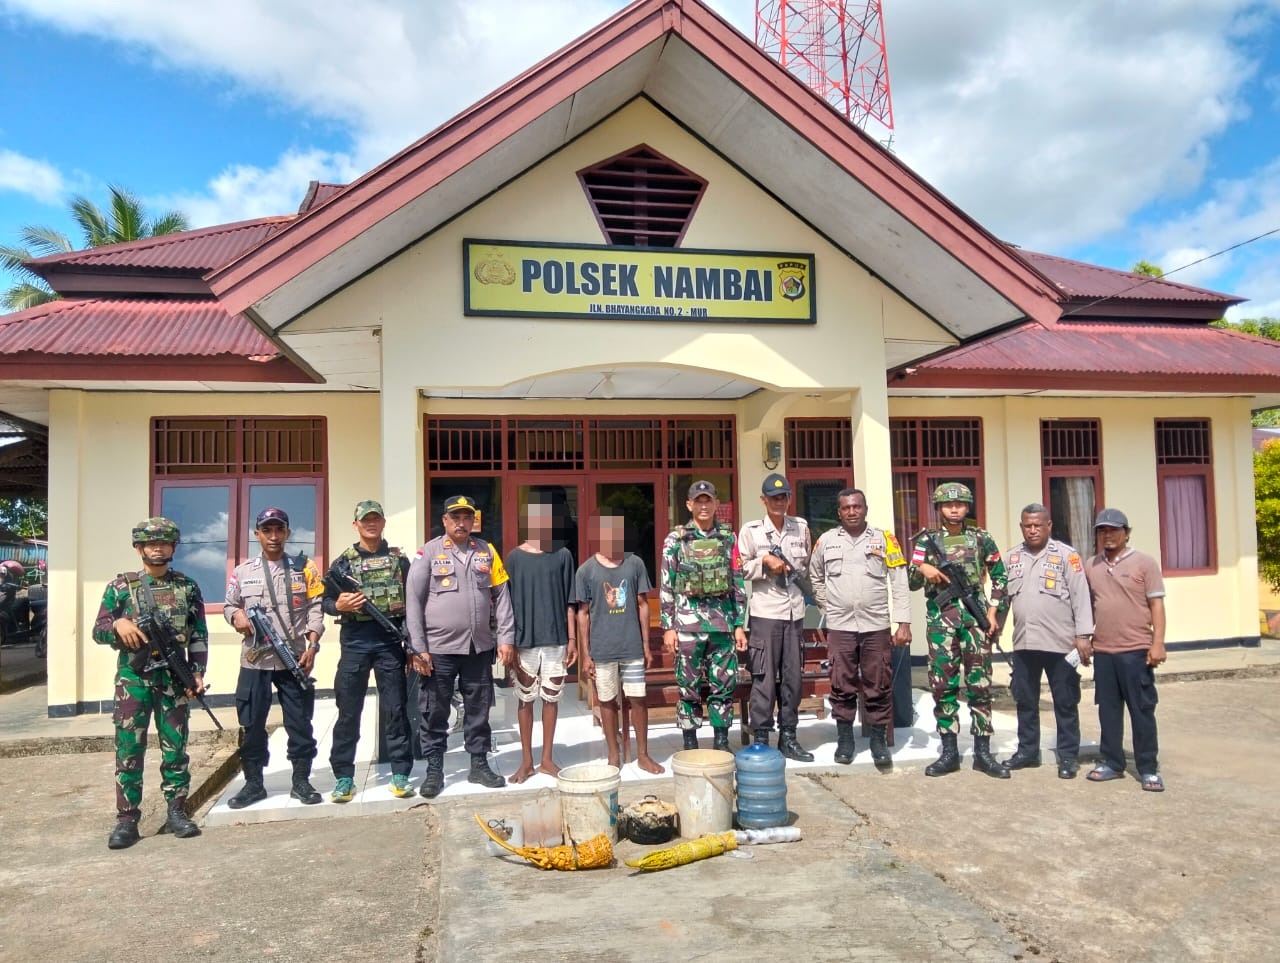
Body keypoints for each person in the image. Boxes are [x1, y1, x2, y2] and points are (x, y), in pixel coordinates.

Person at [94, 517, 207, 850]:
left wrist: (197, 671)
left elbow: (198, 634)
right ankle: (127, 821)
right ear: (139, 548)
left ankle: (176, 812)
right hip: (134, 681)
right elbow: (98, 631)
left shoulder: (187, 587)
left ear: (173, 547)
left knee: (176, 749)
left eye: (164, 543)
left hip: (174, 681)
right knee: (129, 751)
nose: (157, 548)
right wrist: (118, 623)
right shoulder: (120, 588)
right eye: (150, 543)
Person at [406, 495, 514, 797]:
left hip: (478, 647)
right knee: (435, 710)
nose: (462, 522)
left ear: (473, 520)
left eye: (467, 517)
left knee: (478, 708)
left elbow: (502, 596)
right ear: (445, 520)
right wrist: (418, 647)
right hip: (438, 648)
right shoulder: (428, 552)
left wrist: (505, 638)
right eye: (455, 517)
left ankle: (478, 764)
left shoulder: (487, 551)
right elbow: (412, 600)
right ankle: (434, 769)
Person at [224, 507, 326, 809]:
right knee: (252, 722)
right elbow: (230, 605)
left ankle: (301, 782)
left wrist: (313, 646)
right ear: (257, 535)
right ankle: (254, 784)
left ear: (287, 533)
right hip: (255, 661)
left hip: (293, 658)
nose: (273, 536)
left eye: (279, 529)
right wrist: (237, 616)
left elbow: (316, 607)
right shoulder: (242, 571)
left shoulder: (304, 567)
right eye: (266, 530)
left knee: (299, 722)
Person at [908, 482, 1010, 779]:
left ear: (968, 507)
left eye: (960, 504)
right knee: (943, 686)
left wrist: (993, 611)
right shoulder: (926, 542)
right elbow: (911, 580)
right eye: (948, 505)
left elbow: (1001, 577)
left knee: (980, 686)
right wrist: (923, 569)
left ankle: (983, 752)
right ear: (938, 508)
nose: (954, 509)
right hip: (942, 622)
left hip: (975, 622)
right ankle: (949, 752)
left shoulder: (981, 538)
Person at [809, 488, 911, 769]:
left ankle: (878, 740)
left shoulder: (885, 539)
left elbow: (899, 581)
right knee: (841, 684)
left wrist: (903, 621)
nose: (851, 512)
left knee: (877, 682)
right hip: (840, 626)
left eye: (857, 507)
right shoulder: (826, 541)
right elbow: (814, 575)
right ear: (838, 512)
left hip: (875, 624)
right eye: (846, 508)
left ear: (865, 509)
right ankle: (845, 740)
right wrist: (826, 607)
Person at [322, 499, 414, 803]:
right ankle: (344, 777)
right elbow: (324, 602)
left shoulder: (400, 562)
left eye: (375, 519)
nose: (370, 524)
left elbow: (412, 604)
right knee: (348, 711)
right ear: (356, 525)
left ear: (383, 522)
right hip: (355, 644)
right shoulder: (343, 564)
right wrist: (338, 605)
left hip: (390, 643)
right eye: (365, 520)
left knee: (396, 709)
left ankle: (401, 772)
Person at [1000, 504, 1094, 779]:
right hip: (1024, 643)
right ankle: (1027, 752)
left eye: (1037, 525)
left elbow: (1081, 596)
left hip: (1060, 643)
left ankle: (1068, 757)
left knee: (1065, 702)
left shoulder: (1067, 556)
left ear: (1049, 526)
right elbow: (1004, 599)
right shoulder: (1012, 558)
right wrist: (996, 626)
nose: (1032, 530)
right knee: (1025, 701)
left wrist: (1084, 635)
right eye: (1027, 525)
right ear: (1021, 527)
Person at [659, 479, 748, 752]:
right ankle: (690, 744)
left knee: (724, 686)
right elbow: (666, 583)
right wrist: (668, 626)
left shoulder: (728, 538)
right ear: (689, 505)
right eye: (698, 501)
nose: (704, 505)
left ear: (716, 504)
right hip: (687, 626)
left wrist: (739, 625)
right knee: (689, 688)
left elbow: (737, 582)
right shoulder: (676, 539)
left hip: (721, 626)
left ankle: (721, 742)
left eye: (708, 500)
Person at [1083, 508, 1167, 791]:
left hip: (1136, 651)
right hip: (1104, 652)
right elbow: (1086, 606)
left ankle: (1147, 768)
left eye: (1114, 530)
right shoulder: (1091, 565)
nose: (1108, 535)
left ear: (1126, 532)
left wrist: (1158, 643)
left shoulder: (1144, 563)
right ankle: (1111, 762)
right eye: (1102, 530)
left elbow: (1157, 605)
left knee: (1141, 710)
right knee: (1108, 711)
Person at [576, 513, 663, 773]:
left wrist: (646, 645)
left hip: (632, 648)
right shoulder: (586, 570)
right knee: (607, 701)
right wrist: (586, 654)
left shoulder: (634, 564)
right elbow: (583, 613)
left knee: (638, 699)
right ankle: (614, 754)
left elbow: (643, 604)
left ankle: (643, 755)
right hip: (602, 650)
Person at [736, 473, 814, 761]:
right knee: (764, 677)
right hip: (765, 613)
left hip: (794, 612)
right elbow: (740, 568)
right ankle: (761, 738)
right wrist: (764, 562)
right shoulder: (751, 530)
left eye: (783, 497)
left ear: (789, 498)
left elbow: (805, 568)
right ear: (763, 500)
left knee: (793, 676)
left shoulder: (801, 527)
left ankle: (789, 737)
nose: (779, 502)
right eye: (773, 497)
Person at [505, 495, 578, 783]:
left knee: (551, 698)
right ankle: (526, 761)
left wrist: (572, 639)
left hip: (556, 639)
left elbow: (569, 601)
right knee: (525, 700)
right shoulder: (513, 557)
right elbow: (505, 604)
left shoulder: (562, 555)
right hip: (524, 640)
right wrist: (507, 641)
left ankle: (547, 759)